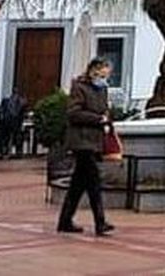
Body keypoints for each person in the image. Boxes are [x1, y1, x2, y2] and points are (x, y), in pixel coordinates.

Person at [57, 58, 115, 236]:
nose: (104, 79)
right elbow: (74, 114)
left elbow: (103, 110)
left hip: (94, 141)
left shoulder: (102, 89)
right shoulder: (79, 87)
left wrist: (106, 119)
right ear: (93, 72)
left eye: (107, 76)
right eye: (102, 75)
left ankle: (65, 221)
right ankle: (100, 222)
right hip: (82, 142)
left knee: (78, 184)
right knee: (93, 182)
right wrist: (97, 119)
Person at [0, 88, 27, 159]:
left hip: (10, 124)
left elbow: (1, 113)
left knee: (8, 134)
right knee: (14, 135)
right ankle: (7, 151)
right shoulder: (8, 101)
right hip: (12, 124)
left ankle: (3, 151)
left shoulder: (7, 101)